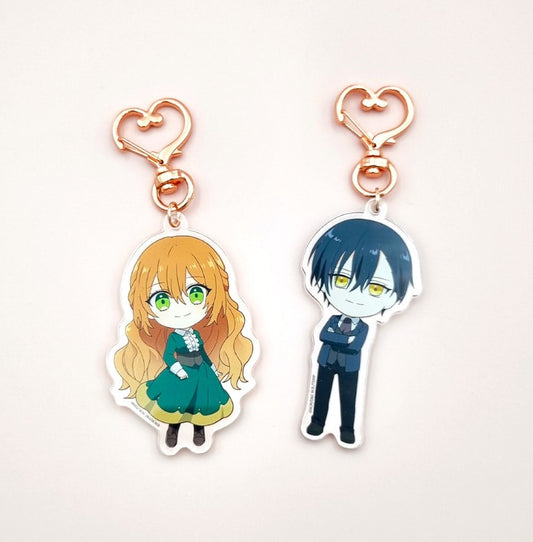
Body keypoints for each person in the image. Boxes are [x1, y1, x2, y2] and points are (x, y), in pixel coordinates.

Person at [113, 235, 253, 448]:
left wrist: (212, 367)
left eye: (196, 294)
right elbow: (168, 356)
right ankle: (172, 431)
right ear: (146, 307)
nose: (181, 308)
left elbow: (202, 352)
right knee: (175, 403)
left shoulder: (196, 334)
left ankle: (199, 431)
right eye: (162, 299)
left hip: (202, 373)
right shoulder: (174, 337)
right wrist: (177, 369)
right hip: (182, 373)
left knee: (202, 403)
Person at [304, 217, 416, 444]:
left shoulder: (363, 327)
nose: (354, 297)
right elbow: (324, 336)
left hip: (351, 367)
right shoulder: (332, 319)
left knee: (349, 398)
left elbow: (355, 345)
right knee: (321, 396)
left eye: (376, 288)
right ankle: (317, 423)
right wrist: (343, 341)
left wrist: (338, 340)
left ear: (394, 295)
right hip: (325, 363)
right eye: (341, 280)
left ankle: (348, 430)